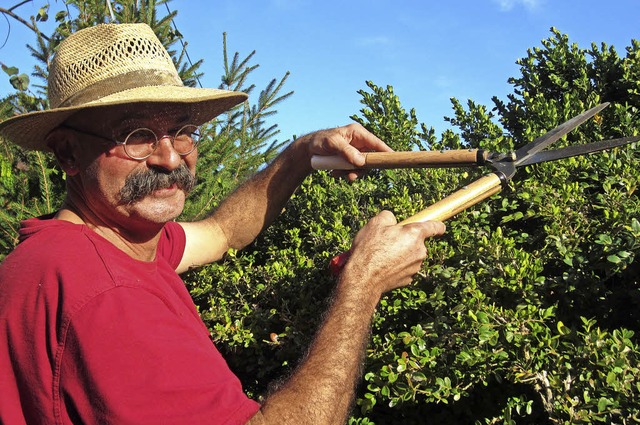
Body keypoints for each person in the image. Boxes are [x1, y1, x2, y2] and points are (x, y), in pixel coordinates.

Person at [0, 23, 445, 425]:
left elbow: (221, 232)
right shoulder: (107, 293)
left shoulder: (97, 246)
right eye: (136, 136)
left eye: (182, 130)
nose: (170, 158)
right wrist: (363, 285)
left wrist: (299, 155)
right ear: (66, 153)